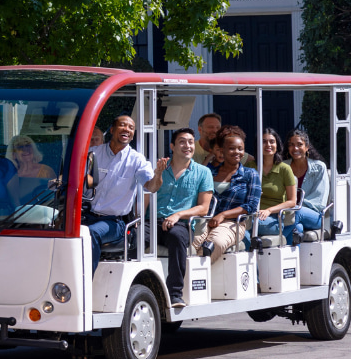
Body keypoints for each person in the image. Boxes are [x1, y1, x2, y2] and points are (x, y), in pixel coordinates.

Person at [144, 129, 213, 307]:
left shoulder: (203, 172)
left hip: (181, 224)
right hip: (152, 221)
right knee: (132, 237)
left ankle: (175, 294)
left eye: (190, 142)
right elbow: (150, 190)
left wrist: (178, 215)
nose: (187, 145)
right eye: (182, 142)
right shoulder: (160, 167)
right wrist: (158, 174)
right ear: (172, 146)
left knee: (176, 238)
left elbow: (204, 208)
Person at [84, 113, 153, 274]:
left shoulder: (137, 160)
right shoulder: (93, 153)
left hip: (115, 223)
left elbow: (151, 186)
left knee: (91, 233)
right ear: (113, 129)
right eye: (123, 125)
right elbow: (77, 177)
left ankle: (84, 283)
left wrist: (158, 176)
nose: (127, 129)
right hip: (87, 215)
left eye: (131, 127)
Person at [193, 126, 260, 263]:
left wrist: (223, 215)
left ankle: (196, 275)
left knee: (213, 244)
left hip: (233, 223)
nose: (237, 152)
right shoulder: (209, 173)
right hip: (206, 220)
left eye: (240, 149)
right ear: (222, 150)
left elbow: (251, 206)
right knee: (191, 243)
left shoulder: (250, 174)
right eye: (232, 148)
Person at [285, 129, 329, 244]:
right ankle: (294, 261)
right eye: (291, 145)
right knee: (297, 228)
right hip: (288, 214)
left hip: (315, 215)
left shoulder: (319, 167)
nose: (295, 149)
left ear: (307, 147)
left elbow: (319, 201)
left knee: (297, 213)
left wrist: (294, 206)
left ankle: (276, 239)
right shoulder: (283, 166)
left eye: (299, 144)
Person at [253, 127, 297, 239]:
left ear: (277, 145)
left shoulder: (284, 169)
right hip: (252, 214)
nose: (268, 145)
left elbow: (292, 201)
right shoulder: (250, 167)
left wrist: (269, 210)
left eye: (272, 142)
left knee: (250, 225)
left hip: (274, 217)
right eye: (263, 141)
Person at [6, 135, 56, 204]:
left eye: (28, 145)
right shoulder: (10, 175)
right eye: (20, 147)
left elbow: (55, 196)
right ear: (13, 154)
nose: (25, 149)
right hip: (17, 214)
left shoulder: (46, 170)